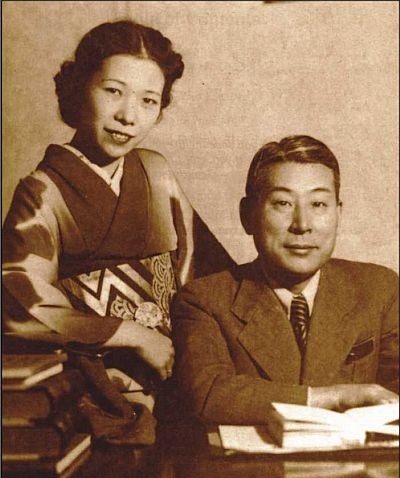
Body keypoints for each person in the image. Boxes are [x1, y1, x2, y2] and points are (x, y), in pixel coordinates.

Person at [2, 20, 233, 410]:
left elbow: (207, 273)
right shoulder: (43, 191)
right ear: (79, 89)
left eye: (148, 101)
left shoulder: (155, 172)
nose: (128, 115)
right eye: (113, 91)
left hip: (181, 366)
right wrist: (134, 335)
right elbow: (18, 304)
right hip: (95, 381)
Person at [171, 135, 399, 424]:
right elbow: (208, 394)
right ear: (247, 216)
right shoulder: (204, 300)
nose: (302, 225)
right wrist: (333, 397)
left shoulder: (378, 289)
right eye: (283, 203)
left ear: (338, 213)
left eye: (319, 204)